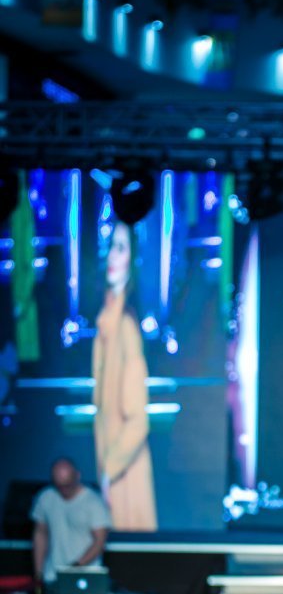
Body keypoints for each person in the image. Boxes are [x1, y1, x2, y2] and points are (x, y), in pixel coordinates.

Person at [92, 220, 158, 530]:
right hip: (114, 469)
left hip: (124, 476)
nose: (112, 257)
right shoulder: (108, 319)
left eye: (121, 248)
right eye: (110, 247)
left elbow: (137, 420)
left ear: (133, 258)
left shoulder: (125, 326)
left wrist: (109, 470)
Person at [31, 457, 112, 584]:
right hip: (51, 576)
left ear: (77, 476)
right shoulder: (45, 498)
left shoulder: (93, 502)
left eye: (67, 485)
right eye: (59, 485)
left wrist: (74, 569)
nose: (63, 489)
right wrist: (38, 572)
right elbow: (40, 534)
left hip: (85, 577)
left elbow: (99, 542)